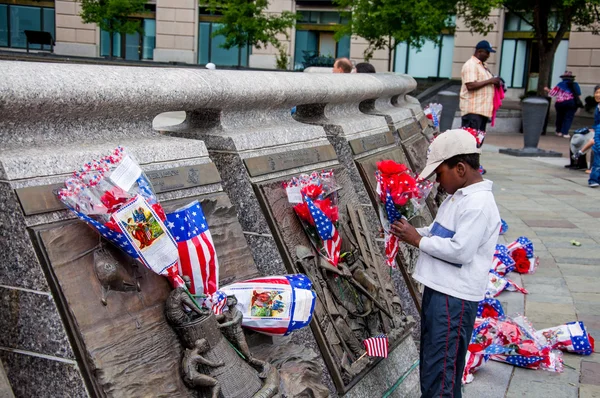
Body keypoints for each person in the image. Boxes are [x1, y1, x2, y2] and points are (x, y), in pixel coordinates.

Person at [390, 129, 501, 398]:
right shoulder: (459, 196)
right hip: (441, 291)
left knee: (441, 371)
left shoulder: (478, 204)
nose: (438, 182)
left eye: (439, 174)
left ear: (460, 168)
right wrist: (416, 232)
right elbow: (442, 231)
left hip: (454, 298)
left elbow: (460, 251)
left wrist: (417, 240)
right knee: (433, 363)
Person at [460, 40, 501, 132]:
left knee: (478, 142)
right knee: (471, 142)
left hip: (482, 111)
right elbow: (470, 85)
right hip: (473, 111)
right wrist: (490, 80)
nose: (488, 55)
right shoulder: (471, 65)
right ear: (479, 51)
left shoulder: (483, 66)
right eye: (487, 52)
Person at [574, 85, 600, 187]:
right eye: (596, 92)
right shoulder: (598, 108)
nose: (597, 95)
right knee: (598, 155)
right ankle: (593, 180)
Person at [544, 71, 582, 138]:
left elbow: (553, 93)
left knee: (559, 117)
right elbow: (578, 95)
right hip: (571, 103)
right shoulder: (575, 84)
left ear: (563, 78)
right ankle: (565, 133)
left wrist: (547, 89)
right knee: (568, 118)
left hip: (560, 103)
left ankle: (558, 131)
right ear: (572, 78)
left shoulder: (560, 84)